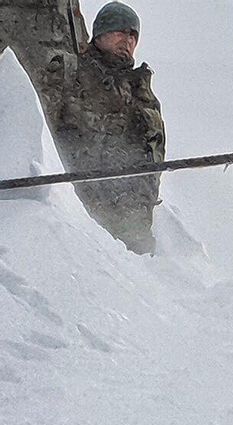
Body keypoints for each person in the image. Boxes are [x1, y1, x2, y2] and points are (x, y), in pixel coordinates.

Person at [38, 1, 166, 255]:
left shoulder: (143, 93)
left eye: (133, 35)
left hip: (135, 219)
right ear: (100, 34)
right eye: (120, 31)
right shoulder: (71, 72)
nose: (127, 40)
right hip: (84, 211)